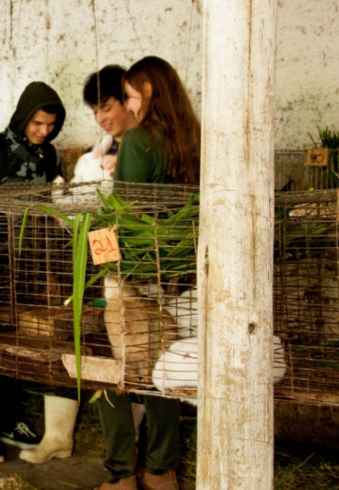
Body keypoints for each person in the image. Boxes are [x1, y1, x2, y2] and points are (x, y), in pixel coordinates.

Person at [95, 56, 200, 490]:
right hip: (184, 274)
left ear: (149, 92)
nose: (131, 106)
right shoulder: (193, 137)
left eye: (132, 96)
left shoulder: (139, 141)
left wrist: (97, 251)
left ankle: (120, 476)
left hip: (139, 272)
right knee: (167, 372)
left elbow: (127, 213)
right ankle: (162, 470)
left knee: (114, 370)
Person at [0, 82, 79, 464]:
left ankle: (12, 418)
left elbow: (55, 213)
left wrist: (53, 269)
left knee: (21, 342)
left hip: (31, 267)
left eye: (50, 125)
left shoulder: (50, 157)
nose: (43, 131)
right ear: (24, 115)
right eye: (38, 122)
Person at [71, 65, 138, 183]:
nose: (99, 118)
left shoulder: (149, 146)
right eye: (95, 111)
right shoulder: (94, 154)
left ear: (127, 101)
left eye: (106, 109)